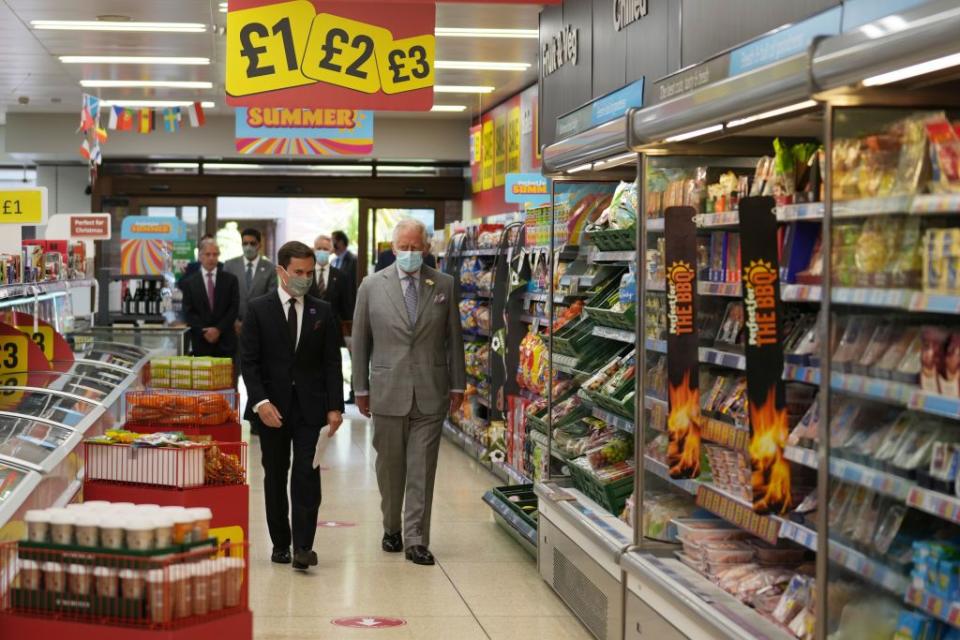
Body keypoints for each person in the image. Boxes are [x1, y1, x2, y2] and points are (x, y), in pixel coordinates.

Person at [352, 219, 465, 566]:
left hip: (431, 391)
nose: (411, 253)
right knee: (390, 468)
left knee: (422, 468)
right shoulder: (371, 286)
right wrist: (360, 388)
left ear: (427, 248)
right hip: (386, 390)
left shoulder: (443, 284)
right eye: (405, 246)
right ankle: (391, 527)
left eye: (417, 247)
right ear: (393, 246)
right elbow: (360, 341)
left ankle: (416, 539)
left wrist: (458, 383)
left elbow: (454, 339)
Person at [241, 241, 345, 571]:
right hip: (271, 409)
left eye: (309, 273)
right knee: (275, 475)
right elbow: (249, 362)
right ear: (281, 272)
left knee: (306, 473)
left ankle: (303, 547)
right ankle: (280, 543)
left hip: (310, 409)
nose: (304, 278)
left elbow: (332, 362)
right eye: (298, 272)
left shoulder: (321, 310)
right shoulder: (258, 309)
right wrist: (260, 402)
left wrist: (335, 407)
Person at [180, 239, 239, 358]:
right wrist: (204, 331)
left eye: (215, 254)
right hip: (201, 342)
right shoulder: (189, 282)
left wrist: (218, 329)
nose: (211, 258)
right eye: (208, 254)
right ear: (200, 256)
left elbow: (233, 308)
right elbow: (188, 312)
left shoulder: (230, 280)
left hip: (225, 342)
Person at [310, 234, 352, 331]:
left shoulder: (340, 276)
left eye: (325, 249)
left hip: (333, 330)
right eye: (319, 248)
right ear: (314, 250)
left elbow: (346, 306)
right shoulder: (306, 274)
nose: (322, 251)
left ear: (331, 251)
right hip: (310, 329)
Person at [331, 230, 358, 296]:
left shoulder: (353, 260)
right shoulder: (333, 261)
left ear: (340, 242)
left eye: (332, 241)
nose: (330, 244)